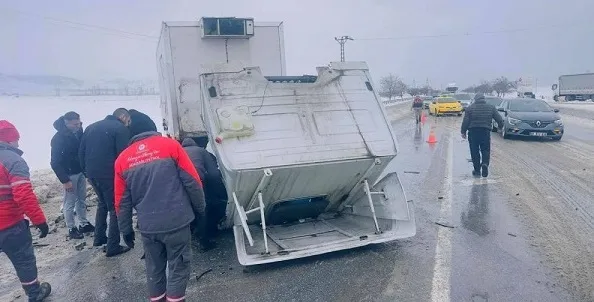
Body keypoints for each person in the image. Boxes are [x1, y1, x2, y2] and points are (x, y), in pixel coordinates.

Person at [114, 126, 206, 302]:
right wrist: (200, 209)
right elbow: (192, 181)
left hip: (149, 227)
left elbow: (121, 201)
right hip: (177, 220)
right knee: (179, 266)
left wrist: (125, 230)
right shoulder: (170, 146)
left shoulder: (122, 159)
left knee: (154, 268)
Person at [0, 120, 52, 301]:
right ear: (8, 139)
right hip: (10, 224)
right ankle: (34, 294)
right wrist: (39, 221)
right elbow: (23, 195)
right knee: (24, 260)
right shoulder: (12, 160)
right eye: (16, 139)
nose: (18, 143)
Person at [79, 108, 131, 257]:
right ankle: (113, 246)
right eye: (128, 120)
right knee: (115, 207)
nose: (128, 124)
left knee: (102, 204)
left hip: (92, 173)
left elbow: (81, 152)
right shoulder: (120, 129)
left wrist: (86, 172)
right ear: (123, 117)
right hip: (110, 174)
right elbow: (123, 155)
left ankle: (99, 237)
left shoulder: (91, 127)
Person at [50, 112, 94, 240]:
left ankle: (83, 224)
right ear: (66, 123)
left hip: (80, 171)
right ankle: (71, 228)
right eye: (75, 124)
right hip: (69, 174)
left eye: (79, 123)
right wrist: (64, 180)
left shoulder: (79, 132)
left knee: (81, 199)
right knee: (69, 203)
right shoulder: (58, 138)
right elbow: (54, 162)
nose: (78, 126)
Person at [181, 137, 226, 248]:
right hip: (197, 182)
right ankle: (204, 241)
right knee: (202, 208)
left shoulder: (179, 151)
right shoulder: (201, 151)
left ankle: (188, 236)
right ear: (195, 144)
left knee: (186, 208)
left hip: (180, 184)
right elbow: (213, 173)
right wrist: (219, 191)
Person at [460, 93, 504, 177]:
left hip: (473, 132)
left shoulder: (470, 108)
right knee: (485, 149)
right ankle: (484, 164)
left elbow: (466, 121)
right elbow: (499, 119)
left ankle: (477, 170)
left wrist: (463, 132)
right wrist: (500, 127)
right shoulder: (491, 107)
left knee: (474, 151)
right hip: (485, 131)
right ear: (484, 99)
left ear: (475, 99)